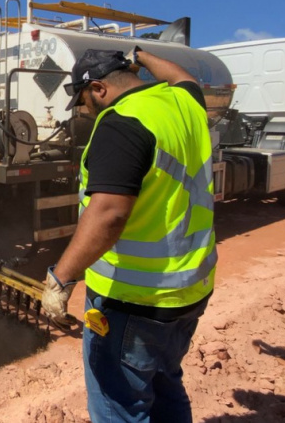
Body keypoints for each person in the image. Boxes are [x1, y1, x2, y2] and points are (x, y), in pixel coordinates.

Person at [42, 46, 217, 423]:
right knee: (167, 386)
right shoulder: (184, 103)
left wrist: (61, 278)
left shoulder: (121, 123)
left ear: (99, 88)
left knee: (119, 405)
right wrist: (140, 53)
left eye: (83, 100)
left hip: (133, 303)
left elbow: (108, 214)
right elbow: (181, 75)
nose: (84, 110)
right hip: (189, 294)